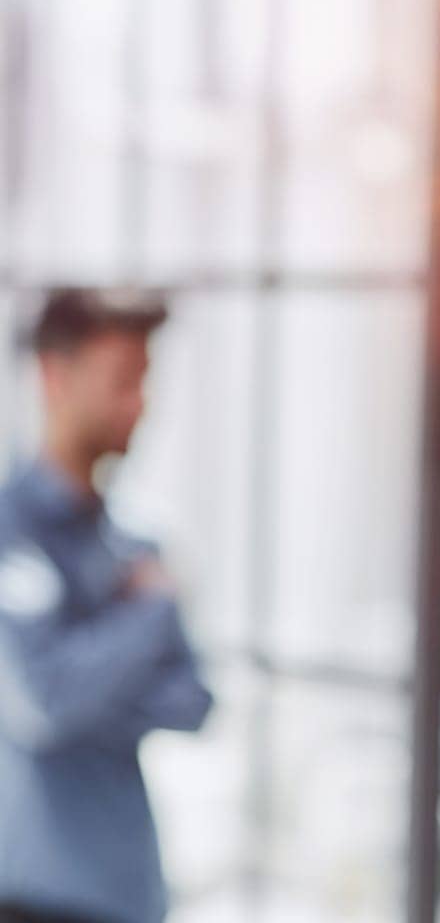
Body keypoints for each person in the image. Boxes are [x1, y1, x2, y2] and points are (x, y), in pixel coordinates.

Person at [0, 289, 213, 923]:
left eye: (145, 382)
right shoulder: (12, 531)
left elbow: (193, 699)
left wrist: (87, 677)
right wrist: (147, 617)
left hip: (128, 892)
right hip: (34, 893)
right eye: (123, 381)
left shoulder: (133, 542)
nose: (140, 404)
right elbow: (43, 706)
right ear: (54, 376)